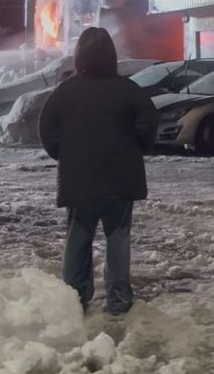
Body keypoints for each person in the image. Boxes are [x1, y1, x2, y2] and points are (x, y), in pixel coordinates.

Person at [39, 27, 158, 315]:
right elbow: (148, 124)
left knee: (78, 237)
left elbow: (47, 129)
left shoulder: (65, 91)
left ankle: (76, 296)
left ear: (80, 56)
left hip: (79, 180)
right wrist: (134, 149)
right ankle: (118, 299)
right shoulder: (128, 90)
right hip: (121, 177)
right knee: (118, 239)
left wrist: (66, 156)